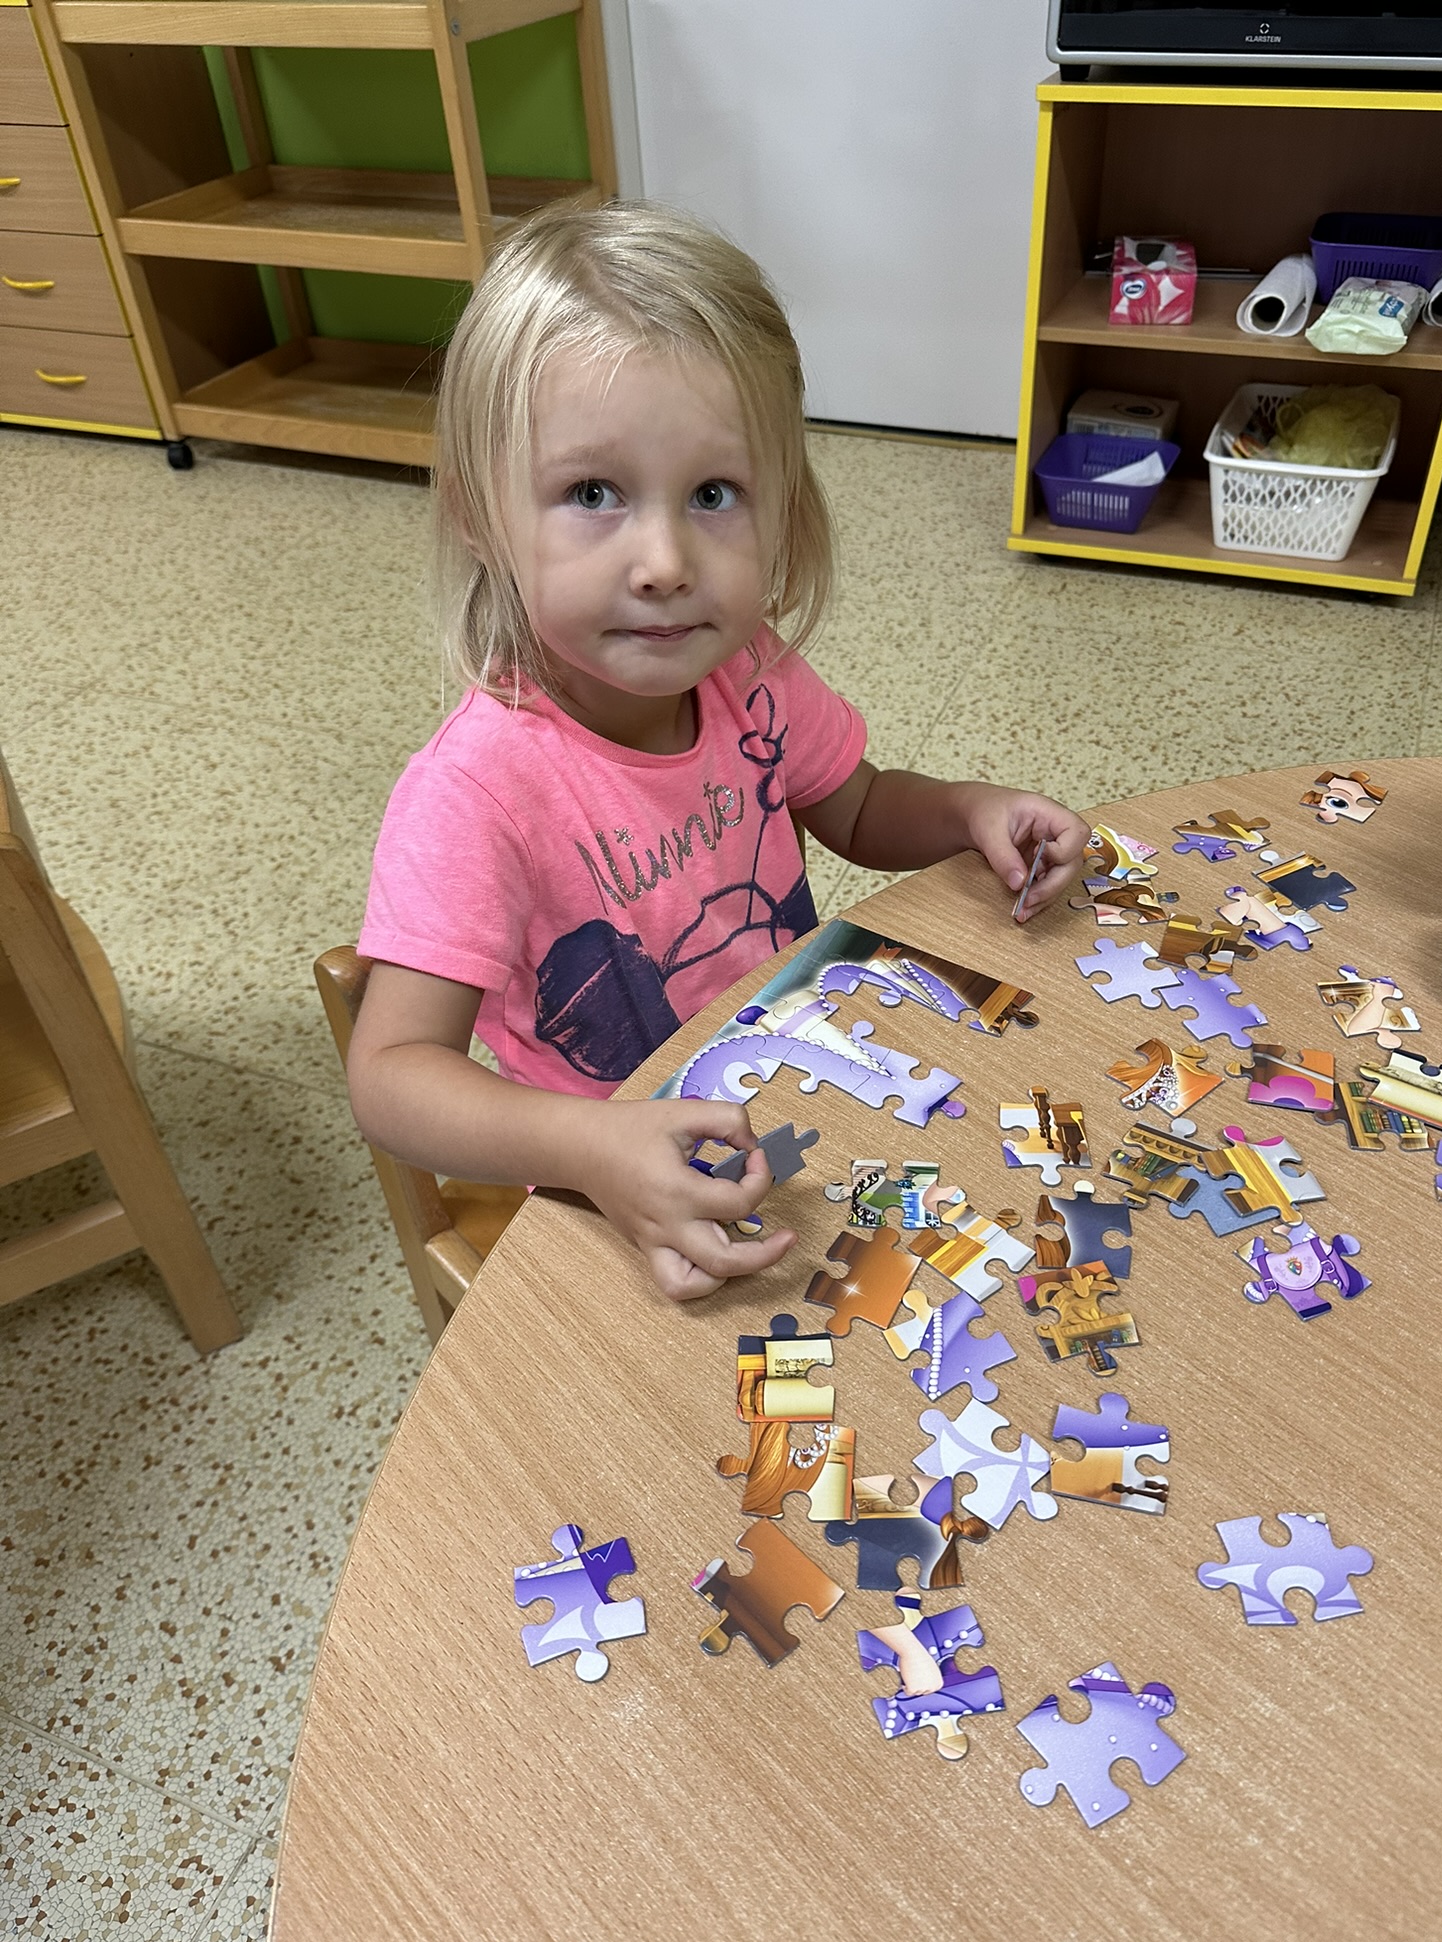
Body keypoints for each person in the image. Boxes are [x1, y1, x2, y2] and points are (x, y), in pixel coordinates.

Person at [350, 201, 1089, 1302]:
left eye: (713, 494)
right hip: (602, 1172)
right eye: (592, 494)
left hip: (793, 1083)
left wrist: (967, 809)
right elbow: (390, 1077)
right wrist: (592, 1149)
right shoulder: (475, 790)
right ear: (478, 515)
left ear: (783, 508)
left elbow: (856, 805)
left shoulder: (749, 673)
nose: (665, 561)